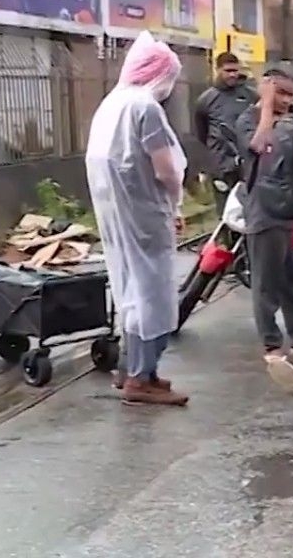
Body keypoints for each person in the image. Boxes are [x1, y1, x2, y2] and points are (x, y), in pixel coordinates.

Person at [86, 31, 190, 406]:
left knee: (130, 291)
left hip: (115, 214)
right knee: (153, 295)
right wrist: (175, 204)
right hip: (146, 215)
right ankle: (140, 378)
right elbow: (165, 169)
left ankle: (134, 370)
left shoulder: (111, 104)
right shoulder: (145, 108)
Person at [234, 67, 293, 358]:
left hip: (292, 208)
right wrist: (266, 106)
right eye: (280, 93)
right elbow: (259, 145)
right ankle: (271, 342)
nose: (286, 100)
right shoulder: (248, 119)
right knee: (266, 282)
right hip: (263, 210)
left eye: (290, 94)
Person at [194, 52, 257, 214]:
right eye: (228, 71)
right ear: (218, 70)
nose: (233, 75)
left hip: (247, 164)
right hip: (221, 166)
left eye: (235, 70)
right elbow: (202, 131)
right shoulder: (206, 100)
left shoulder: (251, 96)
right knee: (225, 213)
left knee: (249, 210)